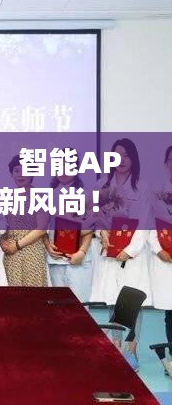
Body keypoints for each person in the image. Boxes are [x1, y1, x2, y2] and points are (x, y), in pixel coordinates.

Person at [90, 138, 151, 371]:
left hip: (132, 257)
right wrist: (101, 233)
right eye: (117, 155)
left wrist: (129, 250)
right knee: (112, 303)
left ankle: (131, 350)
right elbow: (95, 217)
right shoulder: (101, 185)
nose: (121, 160)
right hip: (109, 253)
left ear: (133, 159)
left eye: (126, 155)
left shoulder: (142, 187)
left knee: (133, 305)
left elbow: (145, 223)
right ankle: (114, 348)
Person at [44, 161, 94, 302]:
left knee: (80, 306)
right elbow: (42, 228)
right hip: (56, 259)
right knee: (59, 307)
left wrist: (82, 252)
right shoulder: (48, 196)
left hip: (79, 260)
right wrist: (48, 246)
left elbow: (90, 228)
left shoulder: (86, 194)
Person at [0, 155, 48, 287]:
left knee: (33, 295)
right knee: (14, 296)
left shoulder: (40, 196)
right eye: (17, 171)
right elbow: (6, 227)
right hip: (11, 256)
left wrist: (18, 245)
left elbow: (42, 228)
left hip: (32, 253)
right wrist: (2, 240)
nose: (20, 175)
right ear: (11, 173)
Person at [148, 145, 172, 374]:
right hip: (166, 260)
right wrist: (159, 250)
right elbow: (149, 226)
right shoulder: (156, 194)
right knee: (171, 313)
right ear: (166, 163)